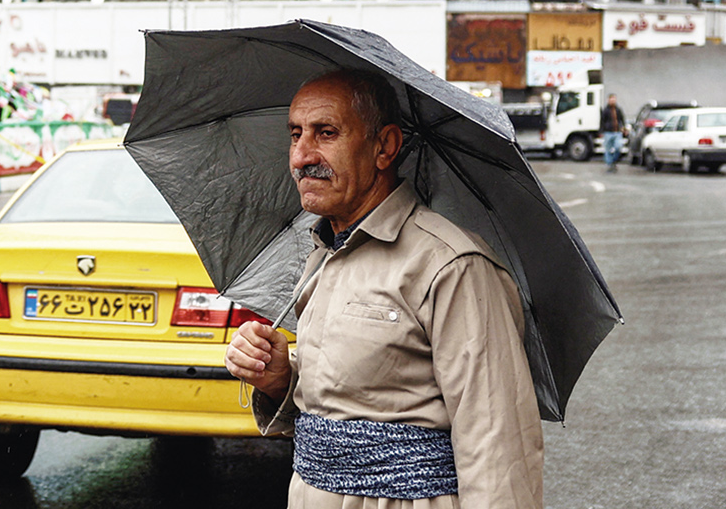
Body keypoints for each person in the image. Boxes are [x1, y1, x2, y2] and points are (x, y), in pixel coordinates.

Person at [225, 70, 543, 509]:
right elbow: (349, 395)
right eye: (295, 134)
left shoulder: (451, 265)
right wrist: (282, 378)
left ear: (385, 147)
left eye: (326, 133)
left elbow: (498, 443)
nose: (301, 156)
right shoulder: (323, 252)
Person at [600, 93, 627, 173]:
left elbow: (622, 119)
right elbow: (602, 121)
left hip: (617, 132)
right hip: (608, 132)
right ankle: (610, 164)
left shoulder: (618, 109)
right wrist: (601, 131)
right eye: (611, 99)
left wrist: (623, 128)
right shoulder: (605, 110)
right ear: (608, 100)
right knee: (608, 149)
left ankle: (614, 160)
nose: (613, 101)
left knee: (618, 147)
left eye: (614, 99)